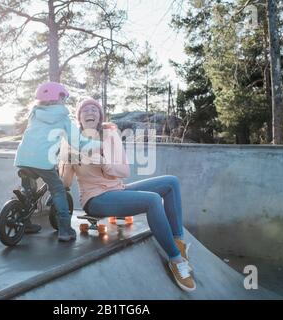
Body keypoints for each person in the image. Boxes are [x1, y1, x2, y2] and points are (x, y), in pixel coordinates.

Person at [59, 98, 196, 291]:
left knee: (171, 183)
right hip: (95, 199)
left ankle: (178, 243)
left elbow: (124, 172)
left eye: (94, 110)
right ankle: (176, 260)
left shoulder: (109, 134)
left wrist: (106, 164)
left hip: (117, 189)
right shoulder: (71, 140)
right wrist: (65, 160)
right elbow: (65, 182)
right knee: (153, 200)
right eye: (85, 110)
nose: (90, 112)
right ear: (79, 117)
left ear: (100, 116)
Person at [15, 83, 100, 241]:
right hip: (43, 161)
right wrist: (99, 145)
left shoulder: (34, 113)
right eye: (64, 98)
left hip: (22, 158)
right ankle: (65, 230)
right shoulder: (63, 117)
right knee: (58, 191)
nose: (65, 102)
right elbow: (78, 143)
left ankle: (24, 221)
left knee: (28, 191)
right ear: (59, 98)